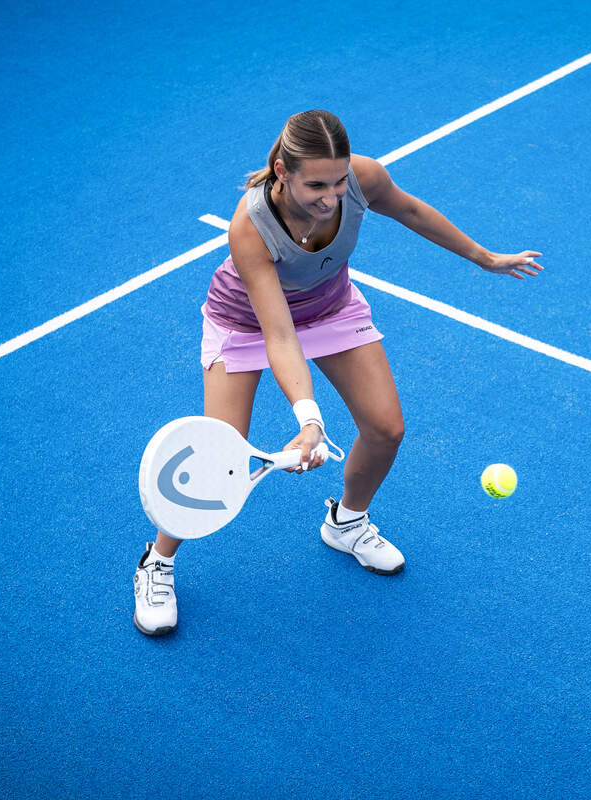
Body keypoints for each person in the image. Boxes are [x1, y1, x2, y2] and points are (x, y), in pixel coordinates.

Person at [133, 109, 542, 636]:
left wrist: (483, 257)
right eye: (316, 185)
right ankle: (158, 561)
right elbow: (278, 335)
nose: (332, 198)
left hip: (330, 309)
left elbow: (412, 211)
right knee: (220, 455)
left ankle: (347, 521)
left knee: (386, 429)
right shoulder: (250, 227)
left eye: (339, 181)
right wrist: (309, 420)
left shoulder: (361, 178)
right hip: (247, 324)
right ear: (282, 171)